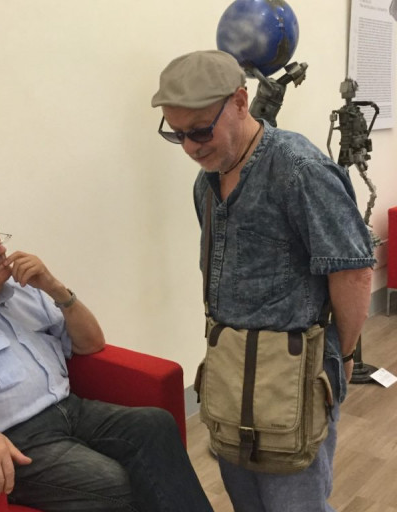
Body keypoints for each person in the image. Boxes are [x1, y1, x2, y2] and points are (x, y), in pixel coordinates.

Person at [151, 50, 375, 512]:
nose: (190, 147)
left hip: (295, 376)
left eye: (200, 130)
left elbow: (352, 270)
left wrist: (344, 354)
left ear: (239, 101)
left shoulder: (299, 169)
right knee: (247, 502)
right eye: (177, 134)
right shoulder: (207, 183)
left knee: (297, 505)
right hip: (232, 373)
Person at [0, 205, 213, 512]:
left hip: (71, 409)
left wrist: (55, 288)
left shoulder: (24, 288)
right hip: (15, 440)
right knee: (107, 479)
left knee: (155, 424)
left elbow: (90, 344)